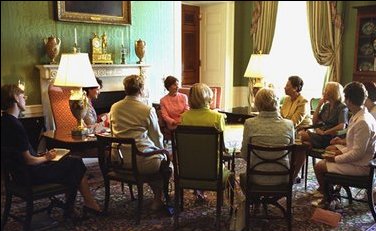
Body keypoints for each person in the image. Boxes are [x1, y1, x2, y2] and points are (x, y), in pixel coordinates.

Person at [1, 84, 102, 217]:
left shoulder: (5, 122)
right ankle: (85, 204)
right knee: (75, 164)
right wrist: (46, 158)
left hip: (19, 175)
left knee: (70, 162)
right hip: (31, 175)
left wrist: (43, 155)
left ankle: (72, 206)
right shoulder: (15, 125)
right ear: (15, 98)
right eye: (23, 97)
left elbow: (21, 155)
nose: (25, 100)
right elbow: (29, 160)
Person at [312, 82, 376, 206]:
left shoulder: (363, 122)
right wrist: (340, 148)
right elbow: (354, 145)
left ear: (348, 100)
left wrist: (335, 158)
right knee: (329, 154)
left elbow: (357, 153)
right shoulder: (362, 115)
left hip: (362, 166)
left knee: (319, 166)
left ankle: (327, 197)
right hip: (362, 160)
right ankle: (331, 195)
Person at [109, 74, 167, 210]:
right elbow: (157, 137)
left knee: (155, 157)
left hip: (119, 160)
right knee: (163, 164)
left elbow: (113, 133)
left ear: (125, 89)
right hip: (142, 161)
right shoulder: (147, 110)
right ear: (141, 89)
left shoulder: (114, 108)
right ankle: (158, 198)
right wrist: (162, 153)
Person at [180, 83, 226, 200]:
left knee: (195, 151)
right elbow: (222, 145)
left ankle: (197, 187)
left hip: (188, 166)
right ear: (208, 97)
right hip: (211, 168)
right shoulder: (217, 117)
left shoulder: (184, 117)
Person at [241, 88, 294, 186]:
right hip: (282, 177)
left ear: (257, 104)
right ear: (277, 103)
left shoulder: (249, 124)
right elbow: (291, 157)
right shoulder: (289, 125)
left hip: (256, 176)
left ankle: (256, 200)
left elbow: (244, 154)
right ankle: (274, 199)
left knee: (242, 178)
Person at [298, 82, 348, 149]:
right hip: (321, 135)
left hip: (331, 137)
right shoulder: (326, 106)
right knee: (305, 144)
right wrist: (319, 106)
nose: (323, 92)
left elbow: (342, 126)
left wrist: (325, 132)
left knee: (301, 135)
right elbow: (315, 122)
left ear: (332, 93)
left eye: (326, 91)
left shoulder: (342, 107)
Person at [280, 76, 312, 180]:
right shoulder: (286, 100)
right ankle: (282, 169)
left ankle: (293, 175)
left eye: (287, 86)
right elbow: (281, 115)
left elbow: (294, 122)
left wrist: (281, 125)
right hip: (287, 128)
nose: (284, 87)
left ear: (295, 88)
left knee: (299, 146)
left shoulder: (303, 102)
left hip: (302, 130)